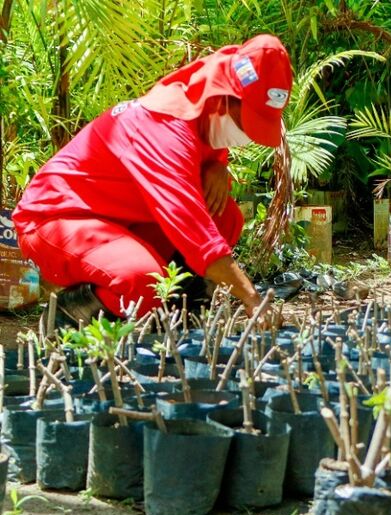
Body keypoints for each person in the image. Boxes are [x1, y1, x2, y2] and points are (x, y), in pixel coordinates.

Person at [13, 34, 293, 325]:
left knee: (225, 218)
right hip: (56, 220)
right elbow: (197, 236)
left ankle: (177, 315)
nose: (247, 137)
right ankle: (69, 317)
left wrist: (218, 164)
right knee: (143, 283)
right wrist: (251, 298)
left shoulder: (200, 107)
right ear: (223, 99)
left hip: (120, 218)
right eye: (246, 124)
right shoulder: (164, 130)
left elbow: (203, 153)